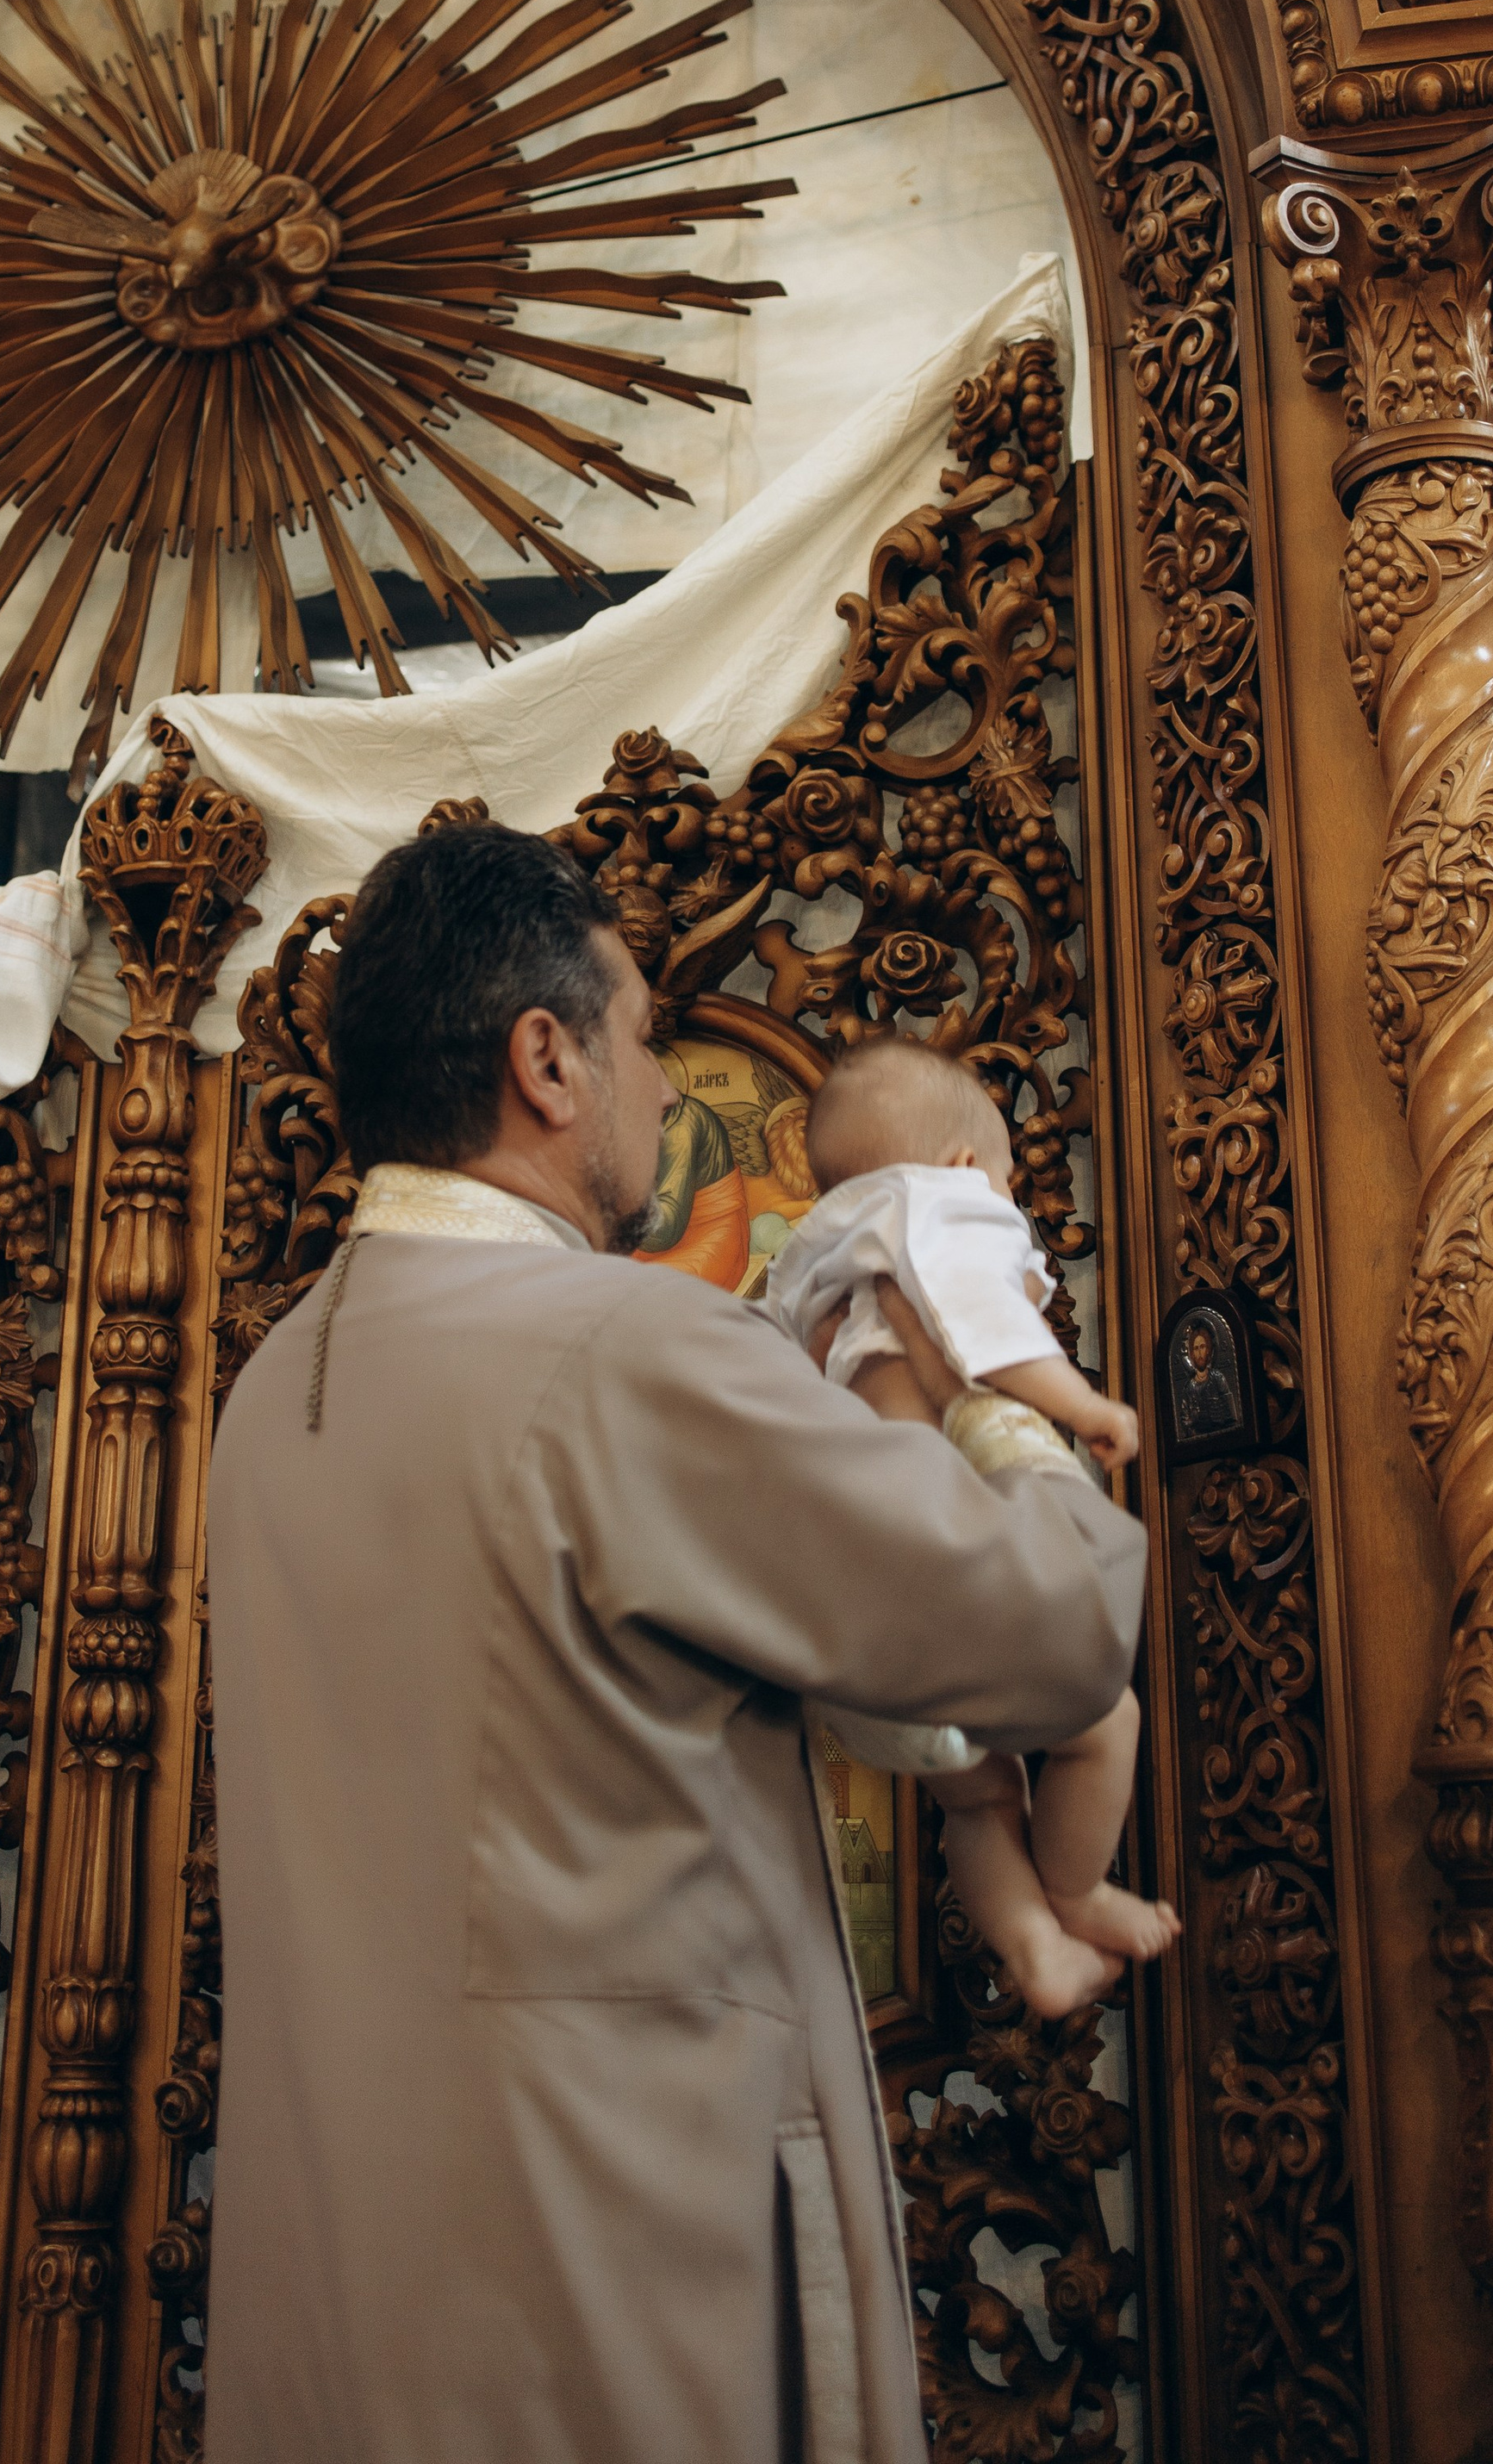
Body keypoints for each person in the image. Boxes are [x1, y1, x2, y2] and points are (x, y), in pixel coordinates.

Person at [206, 823, 1147, 2464]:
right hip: (611, 2272)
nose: (656, 1085)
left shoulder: (270, 1388)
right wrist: (985, 1387)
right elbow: (1054, 1626)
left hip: (340, 2303)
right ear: (547, 1062)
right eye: (641, 1035)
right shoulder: (623, 1348)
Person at [768, 1041, 1180, 2018]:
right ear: (962, 1167)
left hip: (858, 1631)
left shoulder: (809, 1270)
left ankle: (1033, 1948)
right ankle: (1074, 1893)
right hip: (950, 1578)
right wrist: (1082, 1406)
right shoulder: (938, 1208)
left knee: (978, 1796)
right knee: (1105, 1725)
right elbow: (978, 1326)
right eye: (1006, 1183)